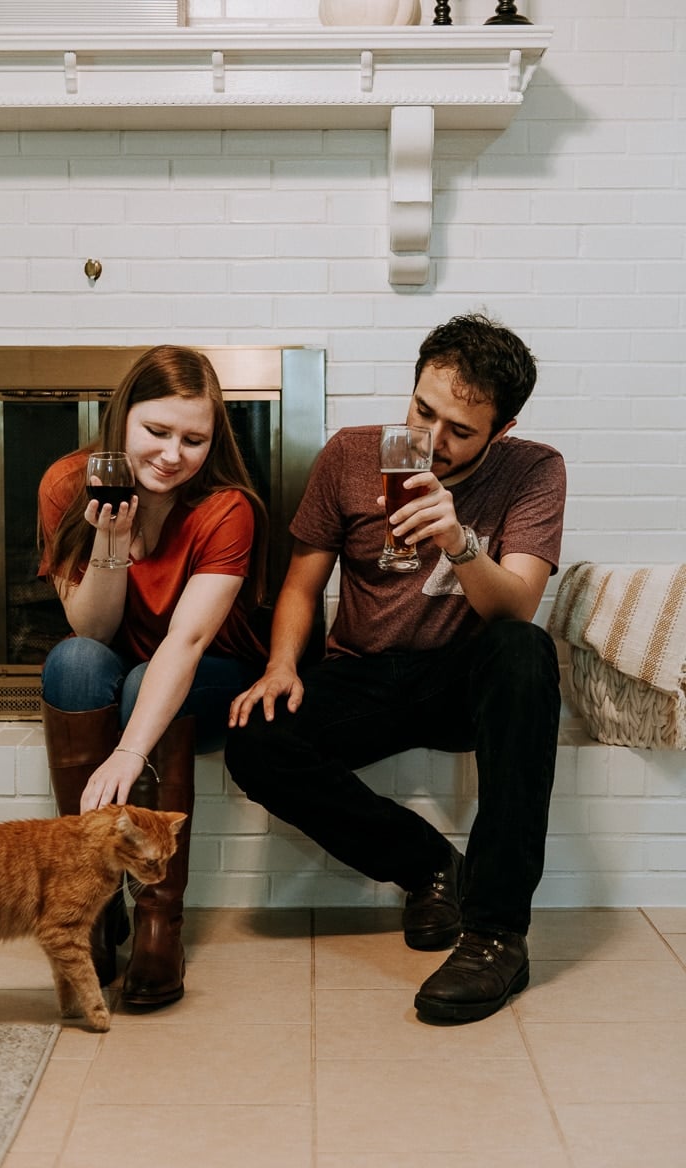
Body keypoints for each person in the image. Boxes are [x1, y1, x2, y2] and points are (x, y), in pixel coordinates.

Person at [225, 313, 565, 1024]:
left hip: (461, 678)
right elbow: (299, 583)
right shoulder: (351, 455)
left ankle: (497, 932)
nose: (433, 443)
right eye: (423, 411)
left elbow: (518, 606)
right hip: (366, 673)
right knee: (254, 739)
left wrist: (460, 540)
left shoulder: (534, 469)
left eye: (461, 432)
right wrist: (283, 664)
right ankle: (429, 866)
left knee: (524, 652)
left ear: (499, 431)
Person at [37, 345, 268, 1009]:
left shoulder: (227, 508)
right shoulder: (66, 485)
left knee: (144, 683)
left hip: (209, 672)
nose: (173, 454)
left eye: (194, 439)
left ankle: (159, 920)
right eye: (156, 432)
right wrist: (110, 547)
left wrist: (130, 749)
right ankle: (92, 899)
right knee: (71, 662)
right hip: (122, 658)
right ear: (123, 421)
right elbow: (94, 634)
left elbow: (188, 640)